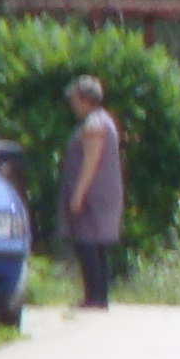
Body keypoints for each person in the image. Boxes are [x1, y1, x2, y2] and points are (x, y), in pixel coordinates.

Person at [58, 74, 124, 313]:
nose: (72, 103)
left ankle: (95, 298)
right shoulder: (103, 120)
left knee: (89, 243)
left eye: (75, 98)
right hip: (101, 193)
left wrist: (78, 194)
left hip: (94, 195)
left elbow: (91, 161)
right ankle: (98, 296)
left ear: (85, 99)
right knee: (96, 245)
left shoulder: (94, 125)